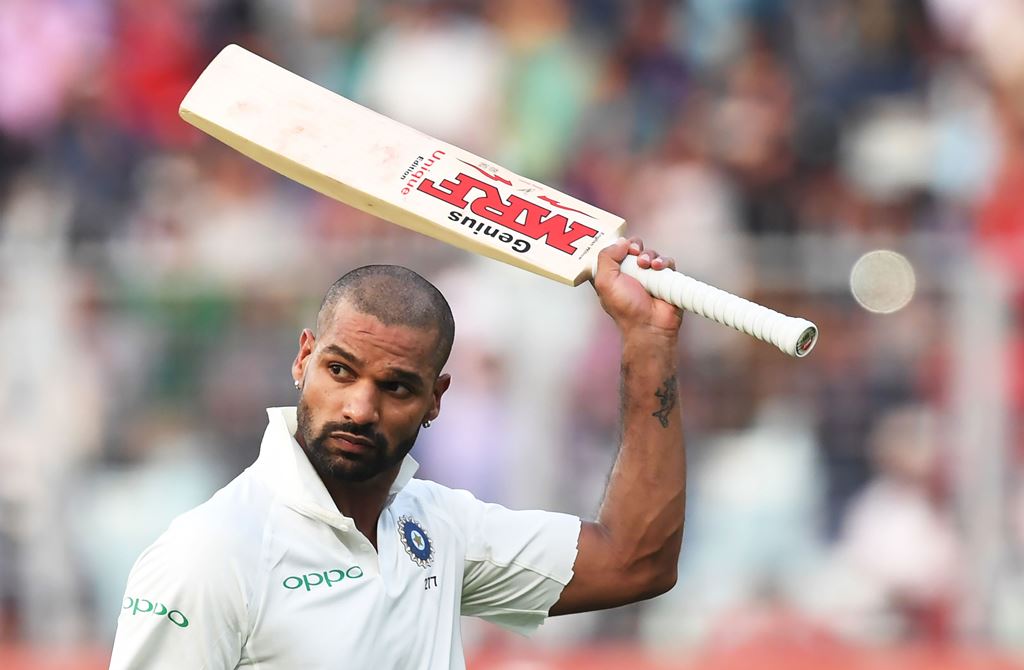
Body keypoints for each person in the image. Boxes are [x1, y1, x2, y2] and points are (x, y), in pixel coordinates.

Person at [108, 238, 686, 669]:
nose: (360, 408)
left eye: (396, 387)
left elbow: (637, 562)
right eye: (340, 371)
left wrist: (648, 342)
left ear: (436, 400)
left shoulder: (440, 528)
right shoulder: (209, 554)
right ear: (302, 358)